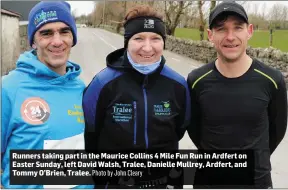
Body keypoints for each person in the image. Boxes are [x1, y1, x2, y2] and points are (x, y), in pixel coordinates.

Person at [83, 5, 190, 188]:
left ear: (164, 42)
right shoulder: (102, 83)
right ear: (127, 42)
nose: (147, 48)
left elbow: (180, 130)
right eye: (138, 38)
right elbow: (91, 136)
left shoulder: (178, 84)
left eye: (155, 38)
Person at [187, 1, 287, 189]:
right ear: (210, 35)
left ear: (249, 31)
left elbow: (277, 131)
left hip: (257, 182)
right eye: (221, 29)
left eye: (238, 28)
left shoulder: (272, 80)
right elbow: (195, 129)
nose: (230, 37)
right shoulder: (196, 80)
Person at [1, 1, 93, 189]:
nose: (57, 41)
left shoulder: (80, 87)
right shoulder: (8, 88)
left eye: (64, 31)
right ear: (33, 41)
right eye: (46, 33)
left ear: (73, 38)